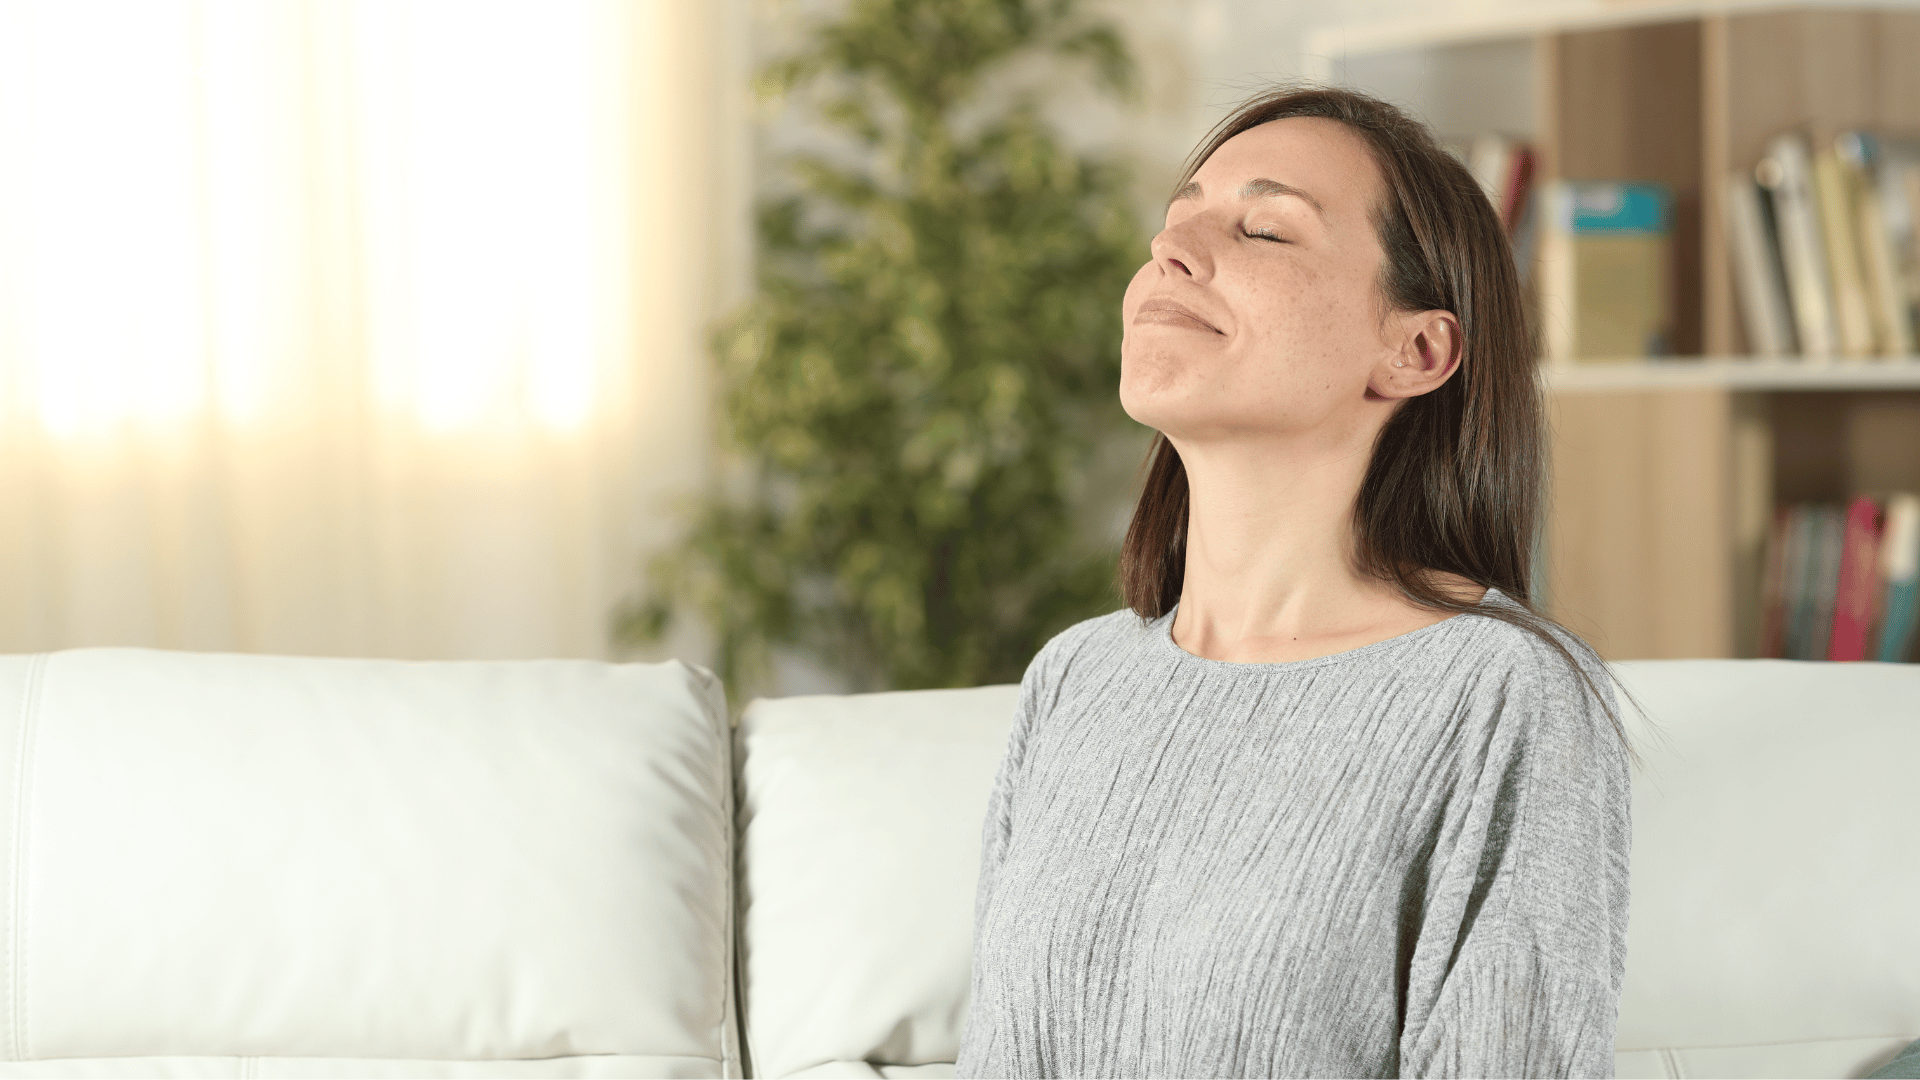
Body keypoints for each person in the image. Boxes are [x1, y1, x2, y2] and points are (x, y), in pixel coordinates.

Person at [954, 85, 1639, 1079]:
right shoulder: (1075, 681)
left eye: (1265, 231)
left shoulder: (1502, 695)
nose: (1172, 250)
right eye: (1175, 218)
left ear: (1414, 350)